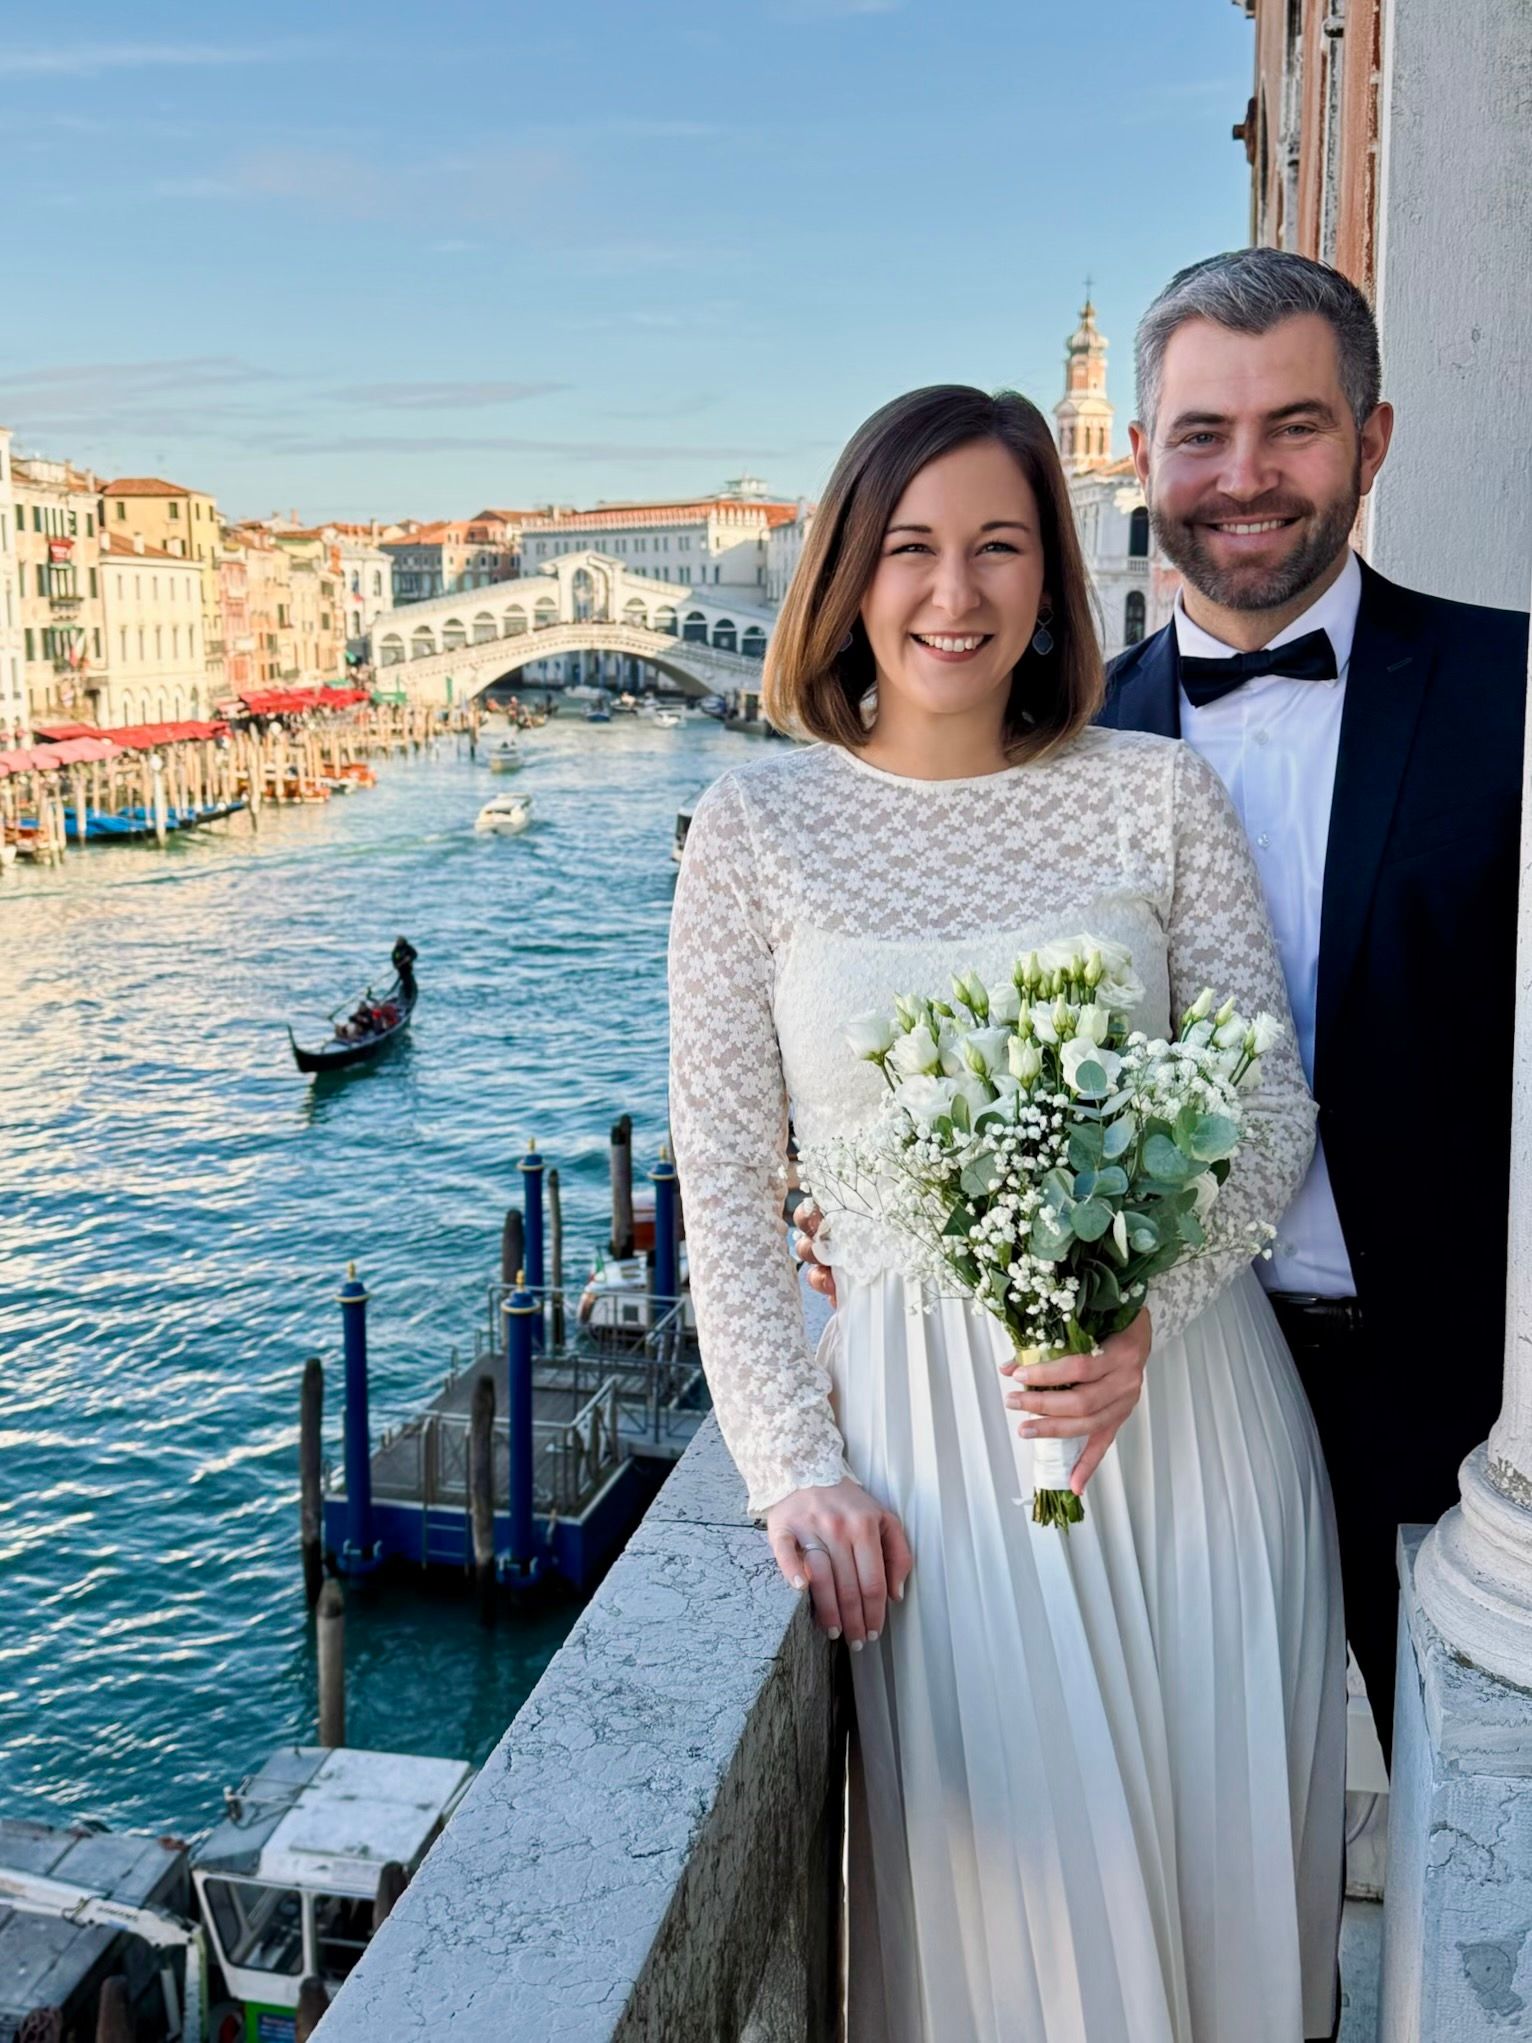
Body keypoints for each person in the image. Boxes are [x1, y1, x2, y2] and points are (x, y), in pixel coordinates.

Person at [670, 385, 1345, 2042]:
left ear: (1053, 576)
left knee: (1223, 1924)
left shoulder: (1155, 795)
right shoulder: (753, 830)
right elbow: (726, 1183)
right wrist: (792, 1466)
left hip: (1189, 1421)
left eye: (999, 546)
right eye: (909, 547)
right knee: (1030, 1966)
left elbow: (1267, 1107)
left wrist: (1142, 1315)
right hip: (932, 1466)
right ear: (847, 573)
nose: (953, 593)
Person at [1098, 249, 1529, 1762]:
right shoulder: (1062, 743)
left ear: (1374, 440)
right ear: (1142, 455)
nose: (1246, 477)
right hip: (1174, 1390)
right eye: (1202, 434)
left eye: (1295, 426)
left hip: (1466, 1396)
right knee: (1202, 1814)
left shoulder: (1513, 688)